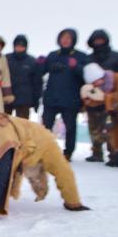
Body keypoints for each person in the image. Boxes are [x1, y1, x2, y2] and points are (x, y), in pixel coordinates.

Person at [39, 28, 88, 161]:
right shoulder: (53, 55)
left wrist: (76, 66)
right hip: (51, 98)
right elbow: (41, 72)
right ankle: (45, 151)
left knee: (70, 127)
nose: (65, 40)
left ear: (73, 40)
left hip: (71, 99)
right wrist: (40, 63)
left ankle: (68, 153)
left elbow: (86, 75)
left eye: (68, 38)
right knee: (46, 126)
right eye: (63, 37)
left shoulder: (81, 56)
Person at [84, 30, 118, 163]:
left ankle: (115, 153)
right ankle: (97, 152)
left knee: (113, 127)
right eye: (95, 41)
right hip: (93, 98)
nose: (98, 43)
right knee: (94, 126)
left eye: (101, 40)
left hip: (113, 98)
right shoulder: (89, 59)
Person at [5, 34, 41, 119]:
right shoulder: (6, 59)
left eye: (22, 46)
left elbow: (37, 82)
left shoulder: (32, 61)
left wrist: (36, 101)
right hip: (7, 96)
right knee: (4, 124)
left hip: (24, 99)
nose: (19, 48)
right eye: (17, 45)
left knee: (22, 125)